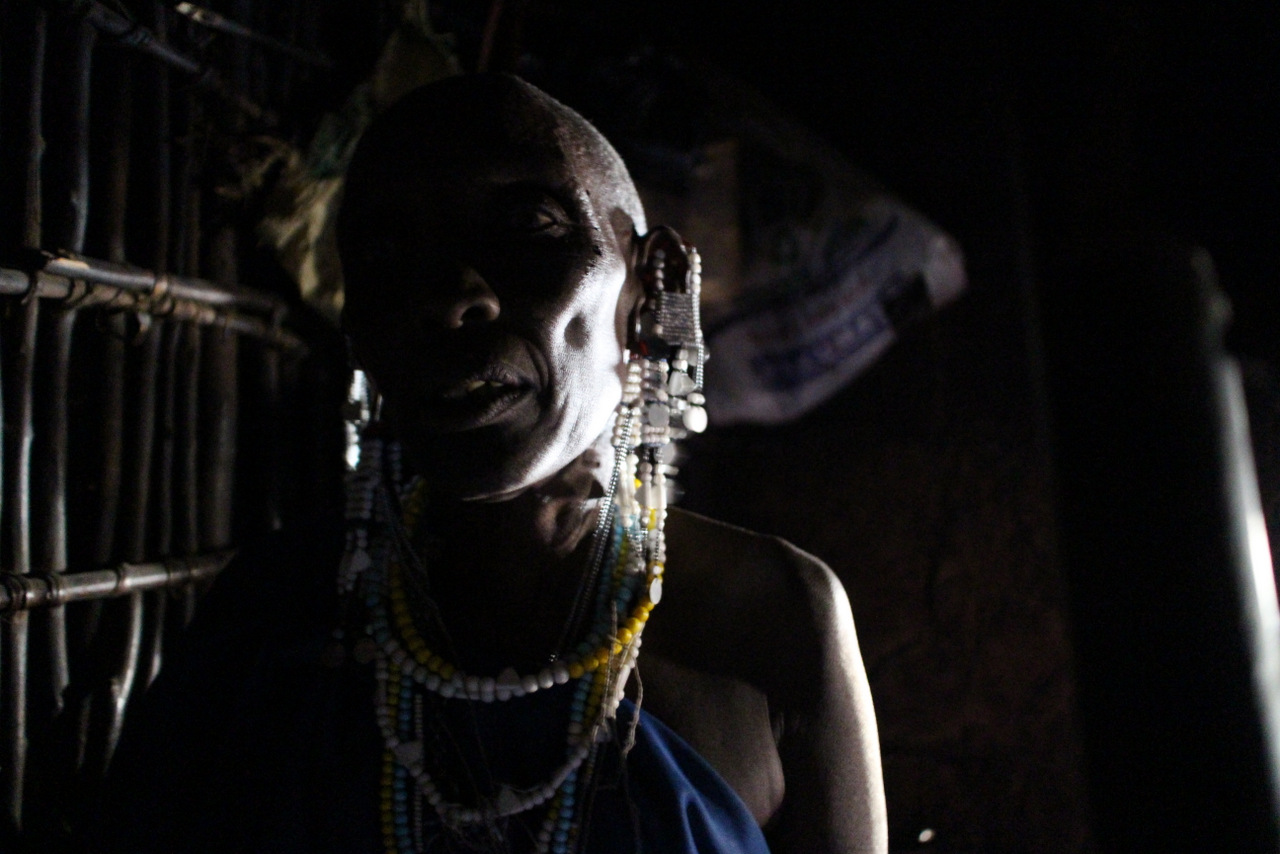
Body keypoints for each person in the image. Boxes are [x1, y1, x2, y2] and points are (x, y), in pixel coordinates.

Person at [98, 74, 886, 854]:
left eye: (528, 228)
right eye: (384, 251)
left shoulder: (772, 623)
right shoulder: (276, 617)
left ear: (654, 285)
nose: (446, 297)